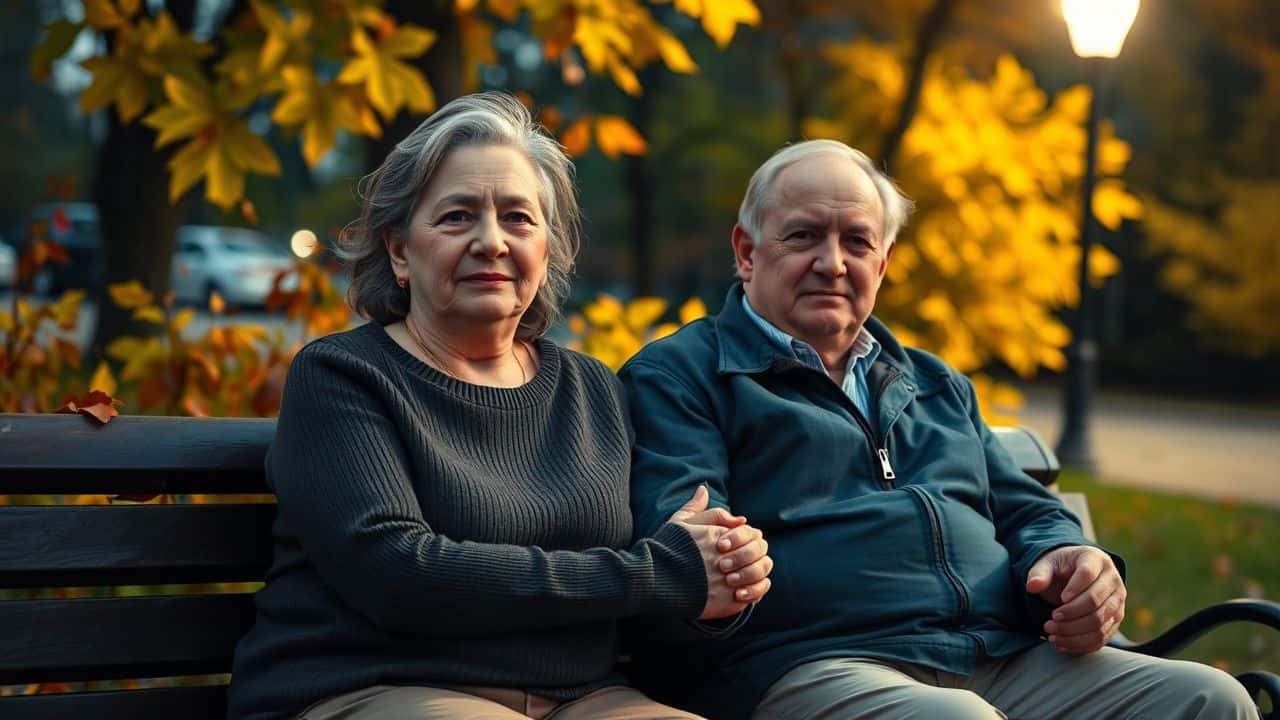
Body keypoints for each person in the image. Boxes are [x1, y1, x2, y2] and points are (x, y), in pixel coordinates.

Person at [619, 139, 1257, 719]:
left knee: (1210, 699)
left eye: (858, 242)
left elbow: (1026, 510)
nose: (833, 263)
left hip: (993, 655)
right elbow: (685, 535)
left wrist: (1070, 558)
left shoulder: (935, 383)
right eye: (804, 236)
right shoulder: (684, 375)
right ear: (747, 252)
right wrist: (715, 558)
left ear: (885, 260)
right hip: (805, 662)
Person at [226, 92, 773, 720]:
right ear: (400, 251)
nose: (492, 241)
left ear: (547, 248)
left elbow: (657, 576)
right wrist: (656, 575)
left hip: (586, 700)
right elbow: (399, 575)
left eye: (518, 218)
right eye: (458, 217)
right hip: (373, 688)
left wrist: (721, 576)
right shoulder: (342, 377)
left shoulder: (592, 389)